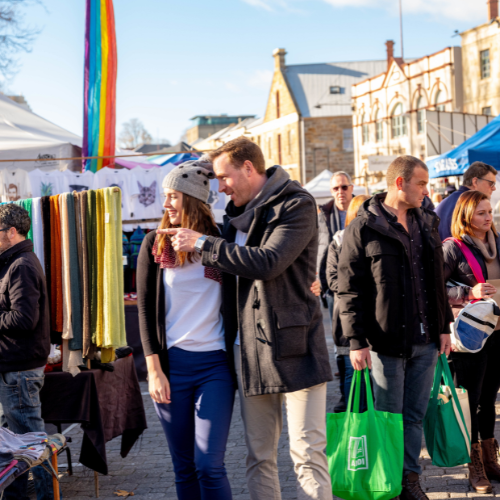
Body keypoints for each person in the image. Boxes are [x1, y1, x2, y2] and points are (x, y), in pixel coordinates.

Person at [164, 137, 333, 500]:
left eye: (224, 177)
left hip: (296, 347)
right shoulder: (233, 219)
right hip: (249, 352)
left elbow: (268, 262)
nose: (220, 186)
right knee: (259, 457)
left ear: (248, 168)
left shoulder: (297, 204)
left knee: (306, 454)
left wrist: (203, 244)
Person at [337, 155, 454, 500]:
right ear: (399, 183)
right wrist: (356, 340)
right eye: (421, 183)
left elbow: (436, 280)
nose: (426, 190)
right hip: (385, 342)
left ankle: (410, 481)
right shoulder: (363, 227)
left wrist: (444, 327)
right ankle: (386, 481)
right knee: (389, 418)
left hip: (427, 339)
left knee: (415, 416)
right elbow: (349, 288)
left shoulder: (428, 222)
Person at [137, 160, 235, 500]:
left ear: (192, 200)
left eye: (173, 196)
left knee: (209, 464)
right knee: (184, 468)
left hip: (216, 367)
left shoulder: (219, 241)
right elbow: (146, 312)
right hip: (171, 368)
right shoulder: (155, 244)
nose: (166, 204)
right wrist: (153, 371)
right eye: (165, 196)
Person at [443, 190, 500, 494]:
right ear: (466, 216)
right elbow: (433, 288)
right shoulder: (453, 249)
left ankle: (491, 460)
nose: (488, 217)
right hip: (471, 338)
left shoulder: (498, 243)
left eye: (489, 211)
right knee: (473, 400)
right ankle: (474, 464)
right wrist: (468, 294)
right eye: (481, 212)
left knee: (490, 399)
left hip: (499, 332)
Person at [0, 204, 53, 500]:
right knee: (14, 446)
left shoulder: (21, 265)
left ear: (11, 231)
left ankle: (48, 496)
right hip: (14, 367)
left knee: (31, 444)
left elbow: (22, 319)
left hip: (19, 369)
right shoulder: (14, 262)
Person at [326, 194, 370, 412]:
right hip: (347, 319)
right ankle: (354, 432)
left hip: (376, 323)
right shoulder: (339, 241)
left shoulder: (378, 237)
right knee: (352, 380)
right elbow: (333, 280)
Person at [317, 171, 354, 319]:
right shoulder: (323, 216)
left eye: (344, 187)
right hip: (333, 286)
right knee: (339, 335)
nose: (340, 191)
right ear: (331, 191)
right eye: (336, 188)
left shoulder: (364, 210)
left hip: (361, 283)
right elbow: (317, 248)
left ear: (351, 188)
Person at [436, 162, 497, 240]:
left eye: (490, 212)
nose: (494, 188)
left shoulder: (445, 203)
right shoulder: (471, 205)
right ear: (475, 182)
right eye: (491, 183)